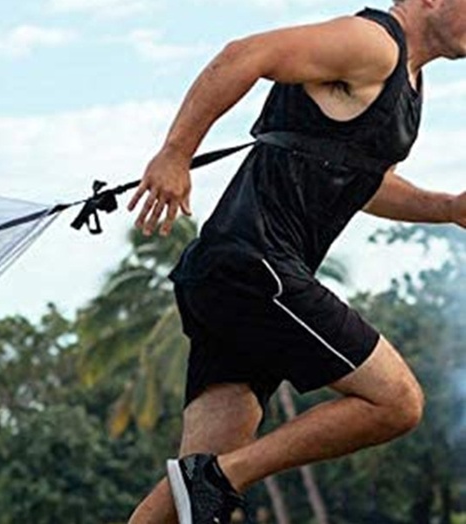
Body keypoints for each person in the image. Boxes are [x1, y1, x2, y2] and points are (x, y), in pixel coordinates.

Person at [125, 1, 466, 523]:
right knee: (396, 402)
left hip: (238, 275)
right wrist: (174, 153)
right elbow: (245, 54)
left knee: (192, 497)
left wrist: (447, 208)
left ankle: (215, 478)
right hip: (254, 262)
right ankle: (225, 478)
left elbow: (364, 183)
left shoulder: (409, 84)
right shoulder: (373, 43)